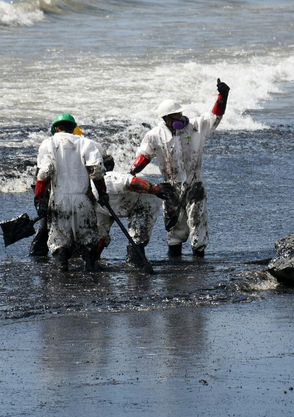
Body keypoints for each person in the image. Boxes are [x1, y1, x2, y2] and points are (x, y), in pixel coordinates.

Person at [129, 78, 230, 257]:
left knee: (197, 221)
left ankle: (199, 259)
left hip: (194, 183)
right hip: (171, 186)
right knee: (175, 227)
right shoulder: (155, 136)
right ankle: (174, 261)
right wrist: (132, 172)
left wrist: (222, 96)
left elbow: (215, 116)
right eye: (175, 115)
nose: (180, 117)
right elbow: (144, 156)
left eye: (180, 113)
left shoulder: (196, 127)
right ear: (166, 118)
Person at [34, 113, 108, 272]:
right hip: (83, 200)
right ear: (73, 128)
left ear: (56, 128)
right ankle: (91, 270)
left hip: (59, 200)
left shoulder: (48, 143)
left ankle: (63, 271)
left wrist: (39, 197)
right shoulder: (87, 143)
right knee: (88, 238)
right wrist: (102, 193)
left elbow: (45, 173)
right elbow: (96, 170)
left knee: (59, 239)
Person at [93, 153, 169, 266]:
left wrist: (156, 189)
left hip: (142, 202)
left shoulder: (111, 177)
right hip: (110, 205)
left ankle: (136, 262)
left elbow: (132, 182)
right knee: (98, 234)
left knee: (137, 236)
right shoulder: (88, 184)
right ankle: (94, 259)